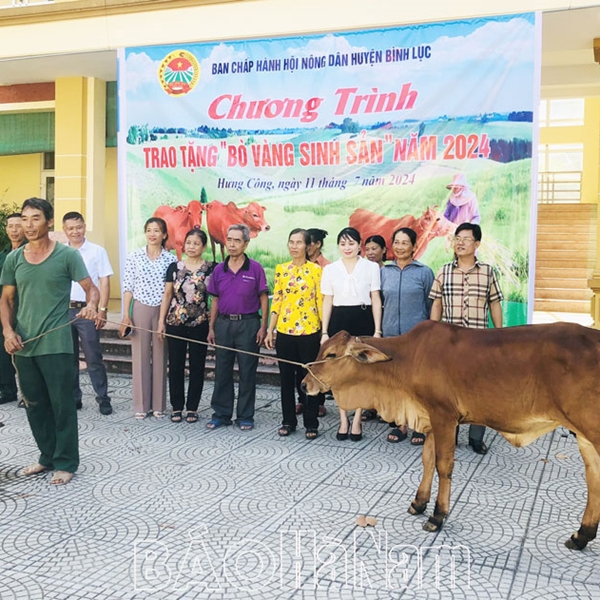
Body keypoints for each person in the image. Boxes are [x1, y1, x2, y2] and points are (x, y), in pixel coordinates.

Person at [0, 198, 99, 485]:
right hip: (23, 345)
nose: (28, 225)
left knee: (62, 403)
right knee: (34, 404)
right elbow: (5, 300)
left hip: (56, 344)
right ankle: (47, 457)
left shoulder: (67, 256)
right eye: (25, 219)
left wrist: (92, 306)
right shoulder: (13, 259)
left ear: (50, 222)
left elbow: (90, 289)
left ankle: (66, 462)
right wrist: (8, 332)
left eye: (35, 219)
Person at [429, 222, 503, 455]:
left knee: (479, 389)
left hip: (479, 342)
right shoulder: (443, 271)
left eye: (466, 239)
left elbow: (495, 303)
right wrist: (433, 333)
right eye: (457, 238)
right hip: (450, 343)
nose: (460, 242)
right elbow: (437, 303)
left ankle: (476, 437)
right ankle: (450, 434)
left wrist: (499, 334)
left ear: (477, 244)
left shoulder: (488, 271)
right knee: (449, 390)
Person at [321, 226, 382, 441]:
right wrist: (324, 331)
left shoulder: (371, 267)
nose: (347, 248)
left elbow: (375, 298)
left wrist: (377, 329)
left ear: (359, 245)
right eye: (343, 243)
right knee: (339, 371)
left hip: (362, 317)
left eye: (351, 243)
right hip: (339, 320)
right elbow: (327, 300)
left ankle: (356, 420)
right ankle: (343, 419)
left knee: (360, 371)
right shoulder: (330, 269)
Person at [206, 224, 269, 431]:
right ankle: (221, 414)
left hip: (249, 325)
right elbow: (215, 299)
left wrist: (263, 327)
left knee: (247, 371)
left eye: (237, 240)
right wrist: (211, 327)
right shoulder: (218, 270)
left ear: (246, 243)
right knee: (222, 370)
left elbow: (263, 298)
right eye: (229, 240)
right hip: (224, 324)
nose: (232, 244)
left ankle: (245, 416)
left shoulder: (255, 268)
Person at [265, 228, 324, 440]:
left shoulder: (316, 271)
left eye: (299, 242)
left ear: (307, 246)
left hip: (309, 332)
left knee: (309, 378)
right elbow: (278, 300)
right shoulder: (281, 269)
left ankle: (311, 422)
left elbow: (320, 301)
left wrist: (324, 331)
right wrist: (270, 330)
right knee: (286, 379)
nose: (294, 246)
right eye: (291, 242)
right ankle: (288, 421)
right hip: (285, 331)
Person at [381, 227, 434, 445]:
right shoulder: (384, 272)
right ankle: (400, 424)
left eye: (405, 243)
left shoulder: (424, 272)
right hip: (391, 337)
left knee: (417, 384)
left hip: (417, 339)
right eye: (397, 242)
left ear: (414, 246)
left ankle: (419, 425)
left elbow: (432, 305)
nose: (400, 247)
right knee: (396, 382)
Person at [120, 217, 176, 419]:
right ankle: (141, 406)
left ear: (164, 235)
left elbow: (170, 291)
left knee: (161, 355)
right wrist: (126, 314)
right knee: (140, 356)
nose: (152, 234)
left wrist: (163, 317)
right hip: (140, 308)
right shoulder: (134, 256)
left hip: (162, 310)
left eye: (157, 230)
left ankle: (159, 405)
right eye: (149, 230)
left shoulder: (171, 260)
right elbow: (128, 287)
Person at [157, 229, 214, 424]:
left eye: (196, 243)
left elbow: (214, 299)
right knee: (175, 365)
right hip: (176, 322)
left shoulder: (211, 268)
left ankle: (192, 408)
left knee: (198, 366)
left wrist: (212, 326)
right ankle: (177, 407)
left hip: (200, 323)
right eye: (188, 243)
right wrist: (160, 322)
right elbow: (167, 295)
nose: (191, 247)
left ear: (203, 247)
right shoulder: (174, 267)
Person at [62, 211, 114, 415]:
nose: (75, 231)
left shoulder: (96, 251)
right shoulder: (59, 252)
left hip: (88, 310)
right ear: (64, 230)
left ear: (84, 226)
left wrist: (102, 309)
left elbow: (104, 280)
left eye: (79, 227)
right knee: (68, 357)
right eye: (70, 228)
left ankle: (103, 398)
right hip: (64, 312)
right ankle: (74, 398)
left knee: (93, 356)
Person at [302, 227, 331, 417]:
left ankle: (319, 401)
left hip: (320, 322)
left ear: (317, 244)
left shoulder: (328, 267)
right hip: (299, 322)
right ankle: (301, 400)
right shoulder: (297, 265)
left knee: (318, 362)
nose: (304, 246)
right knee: (301, 364)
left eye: (308, 242)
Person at [0, 212, 25, 405]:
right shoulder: (3, 255)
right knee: (3, 353)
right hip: (5, 312)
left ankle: (29, 395)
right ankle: (7, 391)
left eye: (18, 226)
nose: (14, 230)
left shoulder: (29, 254)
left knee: (25, 355)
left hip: (25, 311)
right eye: (10, 226)